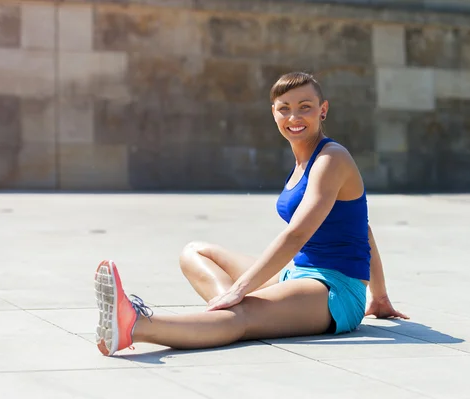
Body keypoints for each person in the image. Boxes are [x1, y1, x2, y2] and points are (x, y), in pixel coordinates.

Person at [94, 71, 408, 356]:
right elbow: (362, 227)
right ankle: (230, 317)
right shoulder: (303, 162)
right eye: (284, 108)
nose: (294, 116)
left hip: (334, 290)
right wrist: (379, 297)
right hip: (296, 275)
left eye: (305, 107)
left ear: (323, 110)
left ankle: (136, 324)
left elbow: (297, 234)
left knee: (241, 315)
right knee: (195, 252)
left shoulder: (331, 159)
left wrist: (241, 288)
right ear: (273, 113)